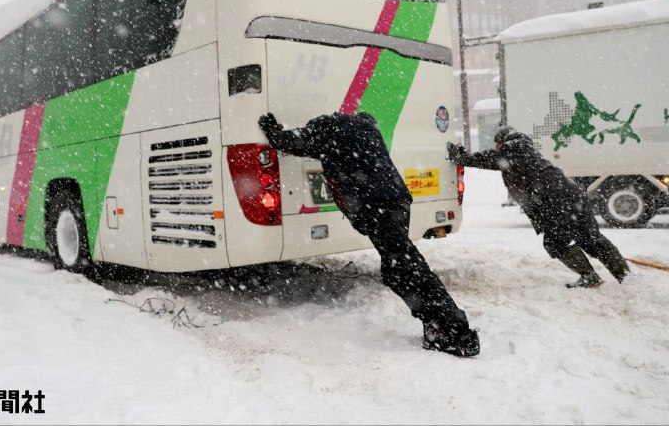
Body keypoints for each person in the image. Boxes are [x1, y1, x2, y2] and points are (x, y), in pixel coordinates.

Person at [259, 111, 480, 357]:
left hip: (375, 205)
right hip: (396, 201)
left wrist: (274, 132)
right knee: (401, 265)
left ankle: (454, 331)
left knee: (404, 268)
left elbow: (292, 141)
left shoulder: (328, 130)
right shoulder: (365, 130)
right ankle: (442, 325)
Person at [447, 125, 630, 288]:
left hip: (556, 202)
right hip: (573, 197)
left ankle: (589, 277)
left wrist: (462, 157)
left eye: (497, 145)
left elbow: (491, 159)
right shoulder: (524, 150)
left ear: (502, 142)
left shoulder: (514, 148)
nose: (497, 148)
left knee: (555, 243)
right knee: (591, 238)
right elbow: (495, 158)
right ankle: (626, 277)